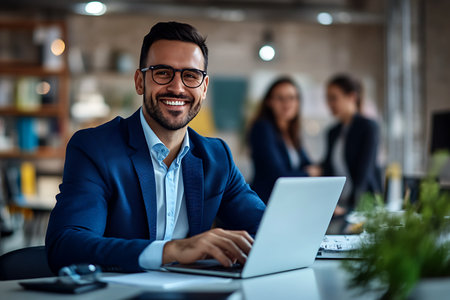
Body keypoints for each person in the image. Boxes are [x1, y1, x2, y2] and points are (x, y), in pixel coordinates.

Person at [46, 22, 266, 273]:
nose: (177, 87)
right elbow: (65, 246)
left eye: (191, 75)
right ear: (140, 82)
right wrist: (172, 250)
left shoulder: (217, 157)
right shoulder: (95, 149)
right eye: (162, 72)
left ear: (204, 89)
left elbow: (267, 229)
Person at [248, 77, 319, 204]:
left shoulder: (292, 132)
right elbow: (278, 176)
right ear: (269, 102)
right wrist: (309, 173)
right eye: (280, 98)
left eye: (292, 98)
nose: (287, 104)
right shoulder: (262, 128)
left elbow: (307, 164)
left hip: (287, 200)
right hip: (266, 203)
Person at [320, 74, 382, 219]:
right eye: (328, 99)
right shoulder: (333, 132)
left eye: (334, 98)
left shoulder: (368, 127)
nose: (330, 104)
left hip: (363, 202)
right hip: (340, 204)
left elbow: (364, 170)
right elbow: (329, 168)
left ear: (352, 97)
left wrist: (353, 206)